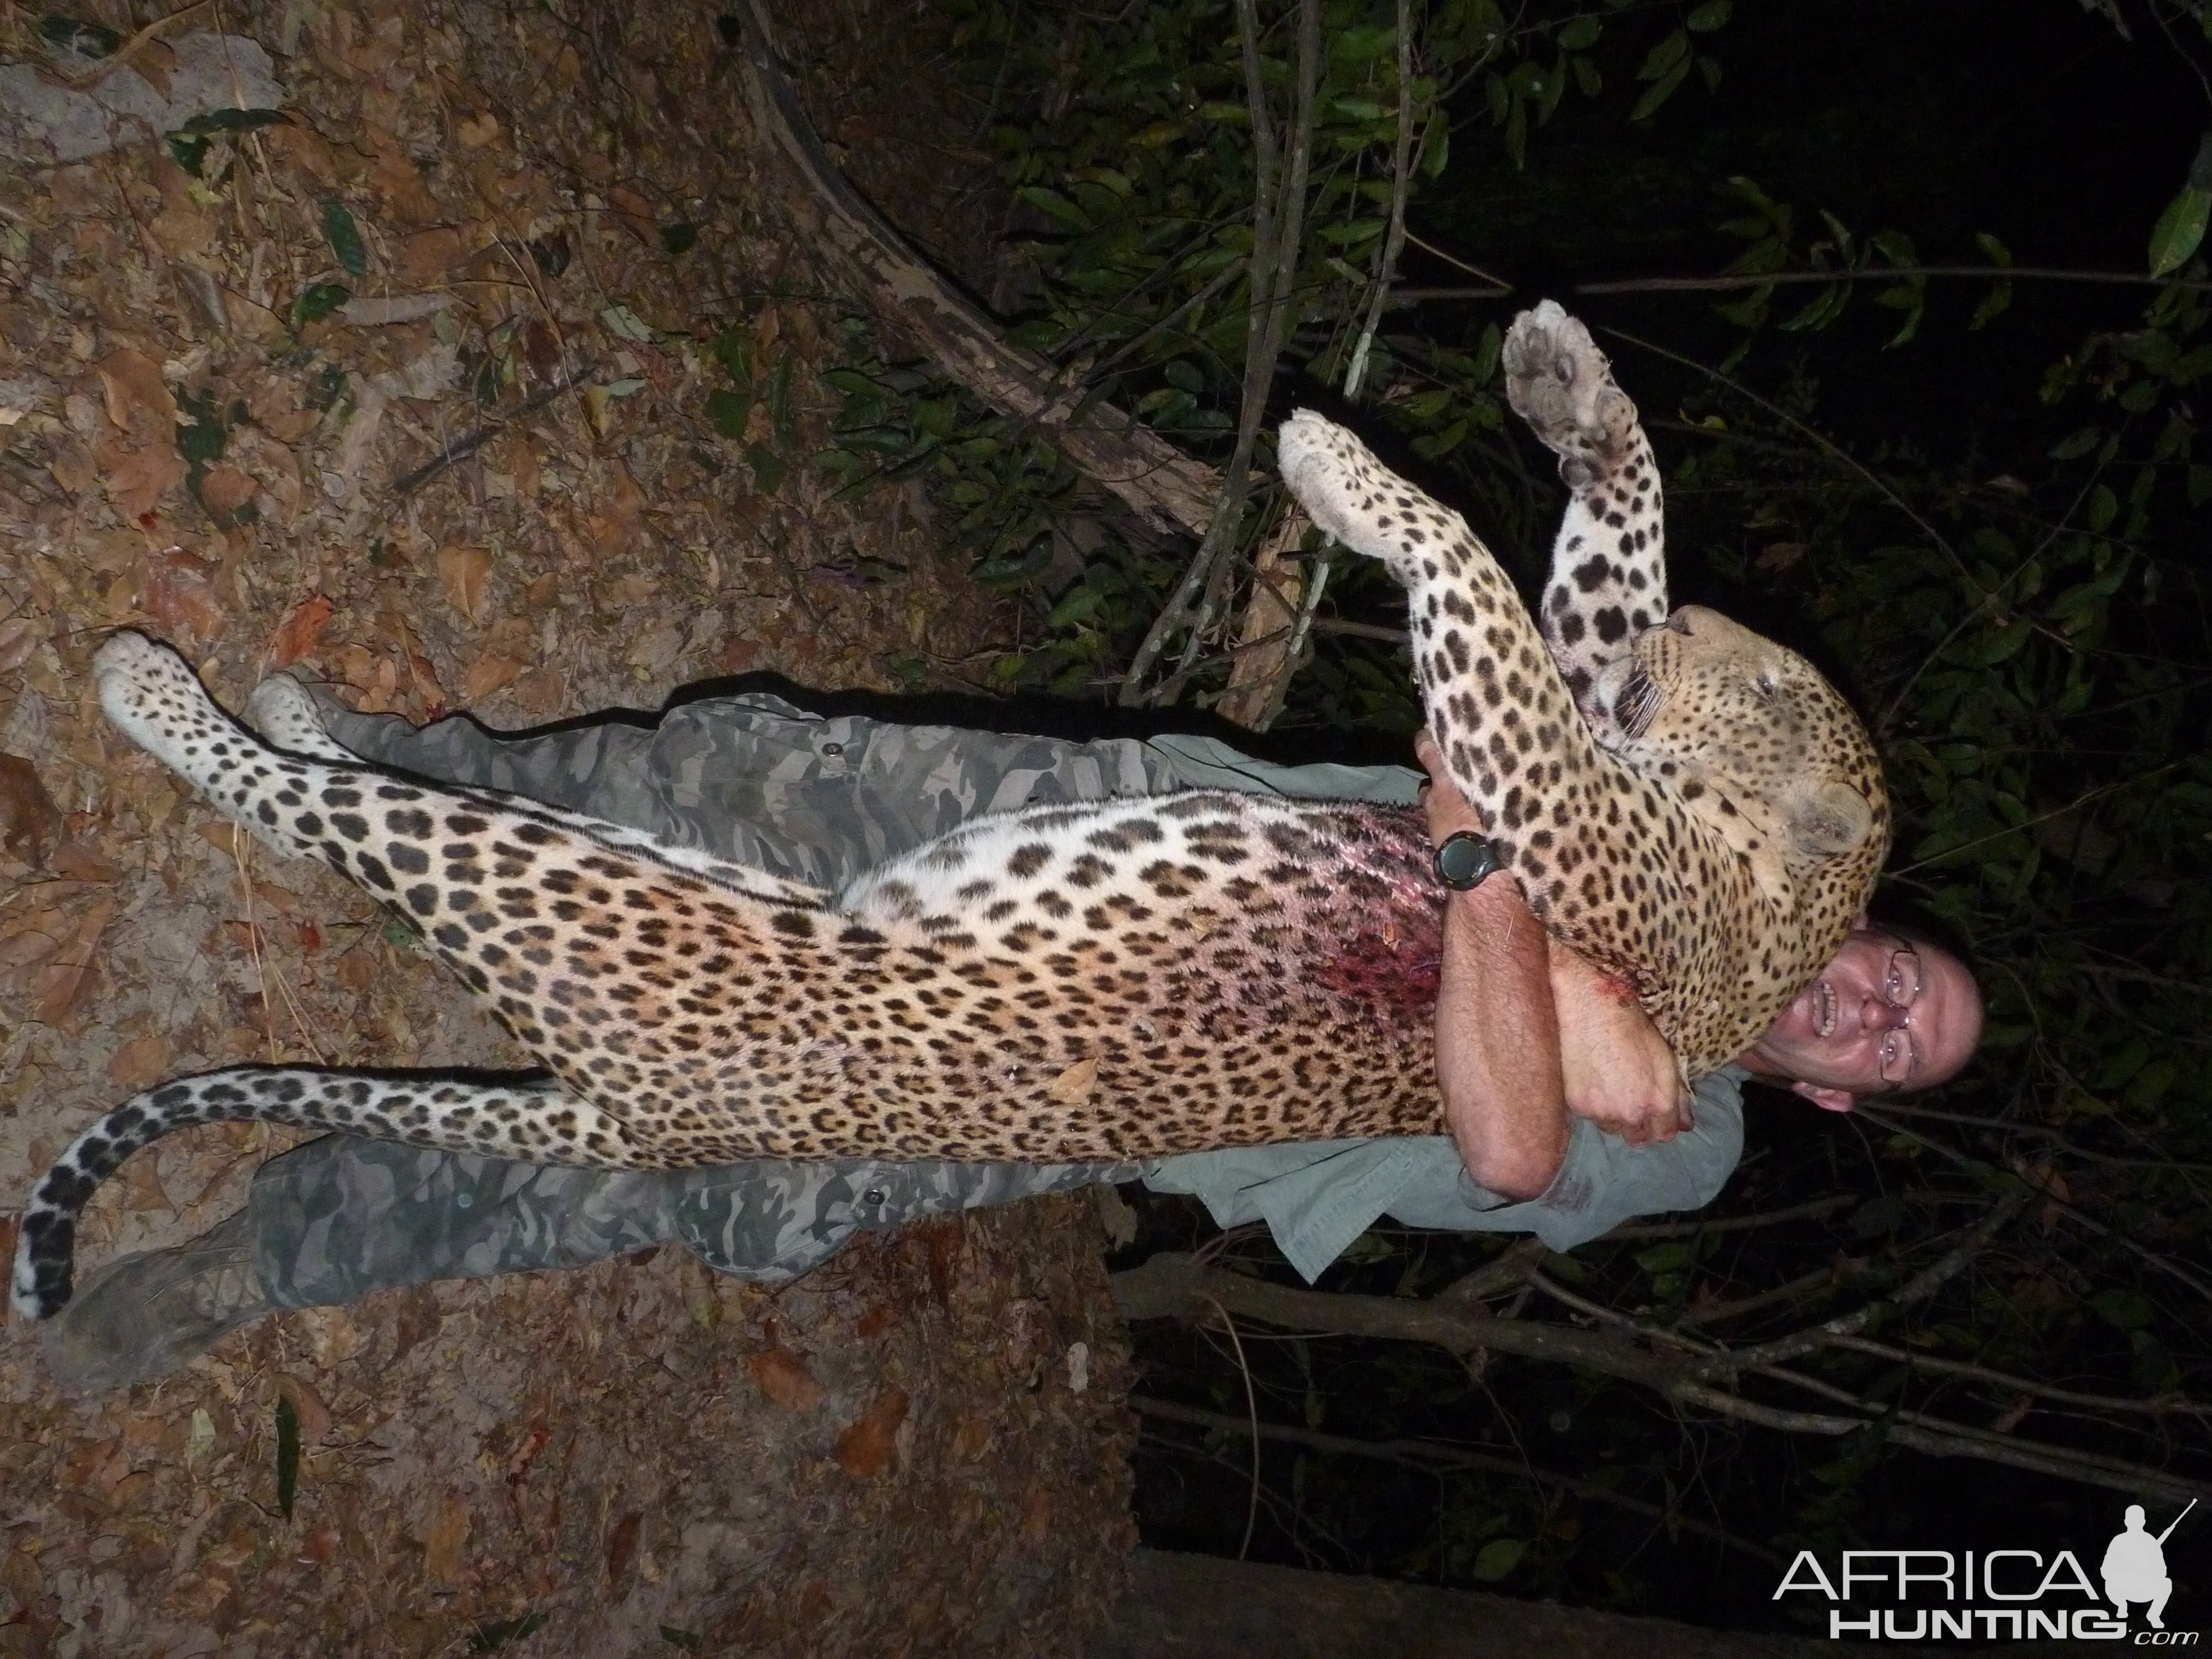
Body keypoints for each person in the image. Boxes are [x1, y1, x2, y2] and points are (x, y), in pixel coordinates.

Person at [38, 687, 1983, 1394]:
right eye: (1908, 978)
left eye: (1901, 1052)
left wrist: (1479, 864)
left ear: (1831, 1088)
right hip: (1128, 824)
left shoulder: (1697, 1137)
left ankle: (254, 1260)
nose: (1882, 1012)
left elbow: (1509, 1151)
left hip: (1081, 1075)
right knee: (722, 781)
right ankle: (379, 777)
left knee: (686, 1169)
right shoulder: (1701, 828)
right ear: (1867, 913)